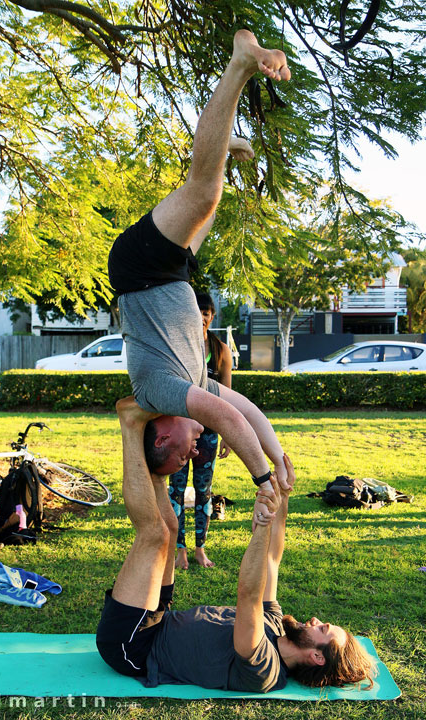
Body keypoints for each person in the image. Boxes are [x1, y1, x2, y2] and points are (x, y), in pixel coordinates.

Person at [108, 29, 291, 504]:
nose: (192, 453)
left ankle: (240, 60)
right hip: (168, 275)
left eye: (181, 456)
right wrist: (277, 455)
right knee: (210, 201)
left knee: (203, 191)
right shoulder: (189, 382)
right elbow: (244, 408)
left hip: (139, 269)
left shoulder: (157, 395)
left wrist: (261, 480)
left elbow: (226, 419)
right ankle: (222, 146)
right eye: (192, 458)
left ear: (163, 437)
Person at [96, 397, 376, 693]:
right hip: (160, 617)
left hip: (134, 645)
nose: (316, 620)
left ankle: (130, 423)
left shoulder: (265, 669)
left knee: (153, 534)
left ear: (317, 657)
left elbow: (249, 594)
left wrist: (262, 526)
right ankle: (152, 452)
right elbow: (272, 561)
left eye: (322, 629)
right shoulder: (276, 624)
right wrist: (282, 494)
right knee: (170, 528)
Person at [169, 292, 232, 569]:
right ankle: (179, 549)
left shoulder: (221, 351)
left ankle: (200, 549)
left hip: (208, 433)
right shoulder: (180, 347)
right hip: (181, 430)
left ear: (212, 316)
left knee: (204, 492)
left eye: (207, 312)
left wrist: (228, 433)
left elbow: (227, 396)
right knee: (177, 491)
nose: (203, 316)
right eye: (199, 311)